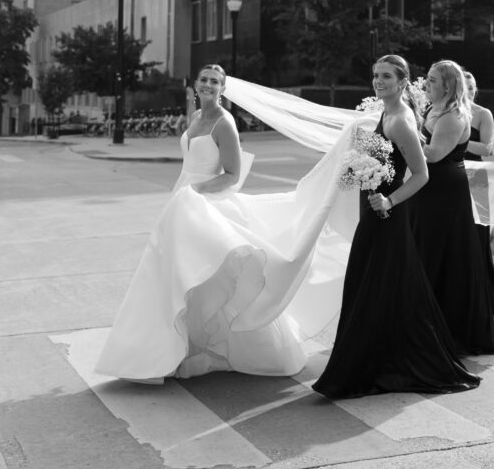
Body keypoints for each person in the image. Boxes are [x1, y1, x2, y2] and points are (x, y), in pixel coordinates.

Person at [96, 62, 355, 382]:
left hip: (205, 203)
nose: (208, 85)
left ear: (223, 88)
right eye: (204, 79)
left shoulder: (224, 123)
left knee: (205, 276)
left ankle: (218, 348)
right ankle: (172, 351)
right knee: (171, 274)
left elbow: (232, 177)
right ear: (195, 84)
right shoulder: (193, 118)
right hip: (183, 202)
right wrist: (186, 193)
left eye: (214, 82)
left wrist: (196, 192)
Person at [313, 55, 480, 400]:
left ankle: (366, 365)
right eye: (375, 75)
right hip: (374, 211)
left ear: (403, 82)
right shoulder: (386, 113)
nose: (378, 81)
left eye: (386, 76)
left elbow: (421, 174)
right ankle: (375, 357)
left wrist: (389, 201)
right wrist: (358, 168)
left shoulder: (401, 120)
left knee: (378, 285)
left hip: (387, 214)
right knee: (380, 286)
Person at [408, 60, 494, 356]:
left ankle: (449, 326)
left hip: (445, 188)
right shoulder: (431, 110)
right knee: (427, 248)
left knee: (443, 251)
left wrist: (403, 136)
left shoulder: (453, 116)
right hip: (429, 187)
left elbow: (435, 154)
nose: (427, 84)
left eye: (433, 80)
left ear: (448, 85)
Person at [463, 71, 494, 313]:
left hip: (476, 175)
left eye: (473, 88)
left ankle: (487, 292)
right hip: (448, 171)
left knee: (479, 227)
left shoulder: (483, 114)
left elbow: (488, 147)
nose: (470, 92)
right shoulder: (442, 110)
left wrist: (459, 140)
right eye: (465, 87)